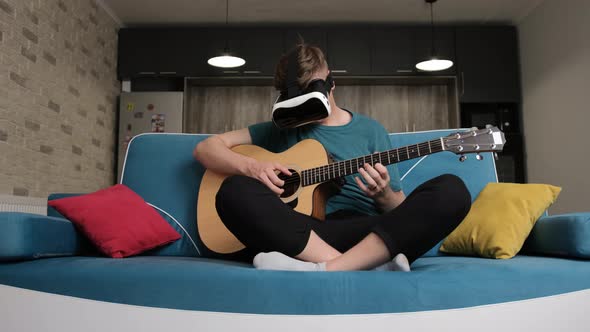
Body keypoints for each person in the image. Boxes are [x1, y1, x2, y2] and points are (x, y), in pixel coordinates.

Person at [193, 43, 471, 272]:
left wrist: (383, 194)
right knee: (233, 190)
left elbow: (399, 211)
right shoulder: (283, 129)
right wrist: (252, 167)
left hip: (369, 234)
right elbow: (206, 148)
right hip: (301, 234)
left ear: (331, 83)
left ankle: (325, 268)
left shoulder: (371, 131)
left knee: (452, 191)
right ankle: (362, 267)